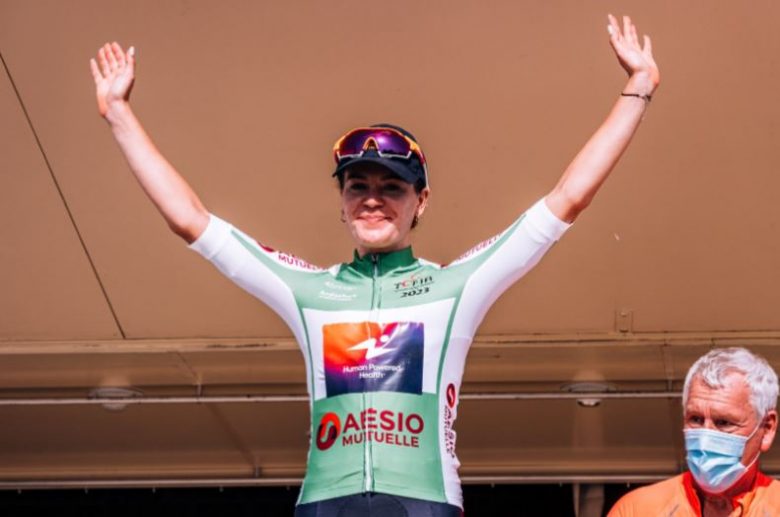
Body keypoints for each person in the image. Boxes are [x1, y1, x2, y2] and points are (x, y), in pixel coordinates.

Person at [90, 14, 659, 516]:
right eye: (357, 185)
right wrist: (118, 113)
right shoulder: (308, 290)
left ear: (421, 201)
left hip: (423, 502)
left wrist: (638, 88)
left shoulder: (455, 285)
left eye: (392, 187)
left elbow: (567, 199)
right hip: (325, 502)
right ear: (340, 202)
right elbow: (191, 220)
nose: (372, 199)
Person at [608, 347, 780, 517]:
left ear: (767, 429)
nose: (705, 440)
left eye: (723, 423)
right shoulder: (637, 510)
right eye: (696, 419)